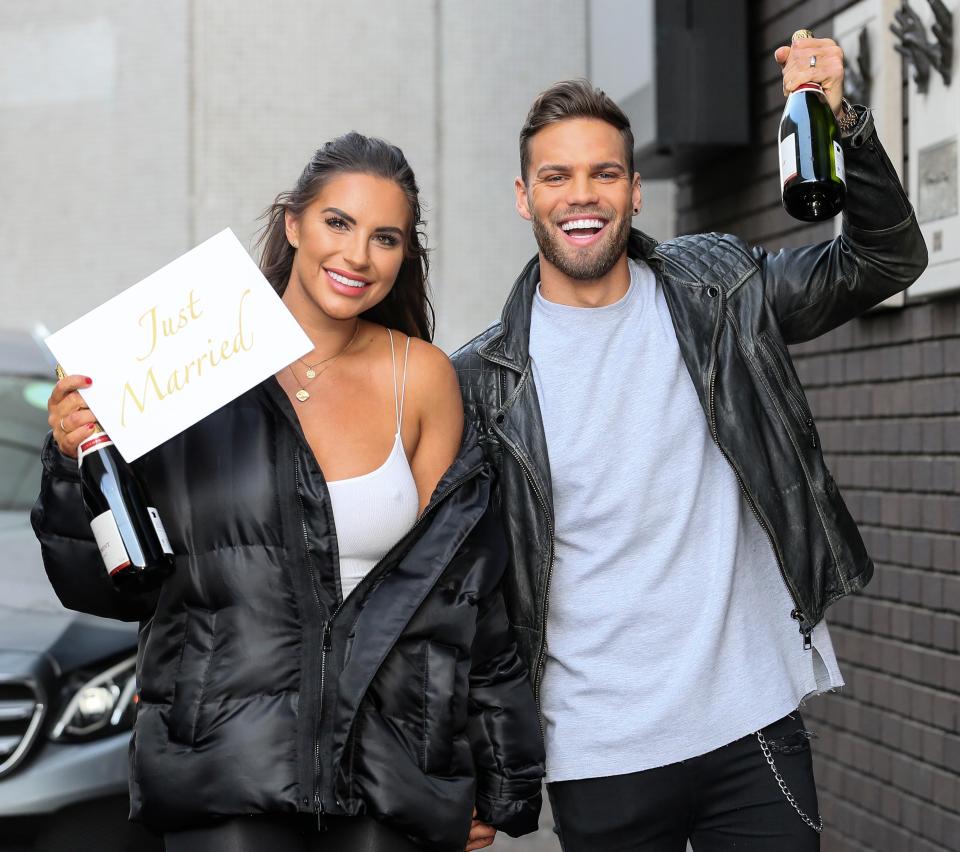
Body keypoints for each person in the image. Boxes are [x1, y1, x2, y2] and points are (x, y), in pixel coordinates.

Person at [452, 38, 927, 852]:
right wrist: (466, 765)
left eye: (604, 173)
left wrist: (841, 117)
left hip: (752, 722)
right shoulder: (482, 380)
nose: (582, 195)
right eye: (556, 176)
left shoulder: (721, 290)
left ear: (635, 191)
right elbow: (465, 590)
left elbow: (887, 257)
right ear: (523, 197)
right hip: (598, 751)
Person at [33, 132, 544, 852]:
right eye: (338, 223)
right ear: (293, 224)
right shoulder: (185, 365)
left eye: (385, 237)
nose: (357, 256)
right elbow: (106, 590)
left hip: (392, 769)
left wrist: (499, 777)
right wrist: (70, 461)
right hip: (224, 763)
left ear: (404, 255)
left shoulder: (422, 377)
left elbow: (467, 594)